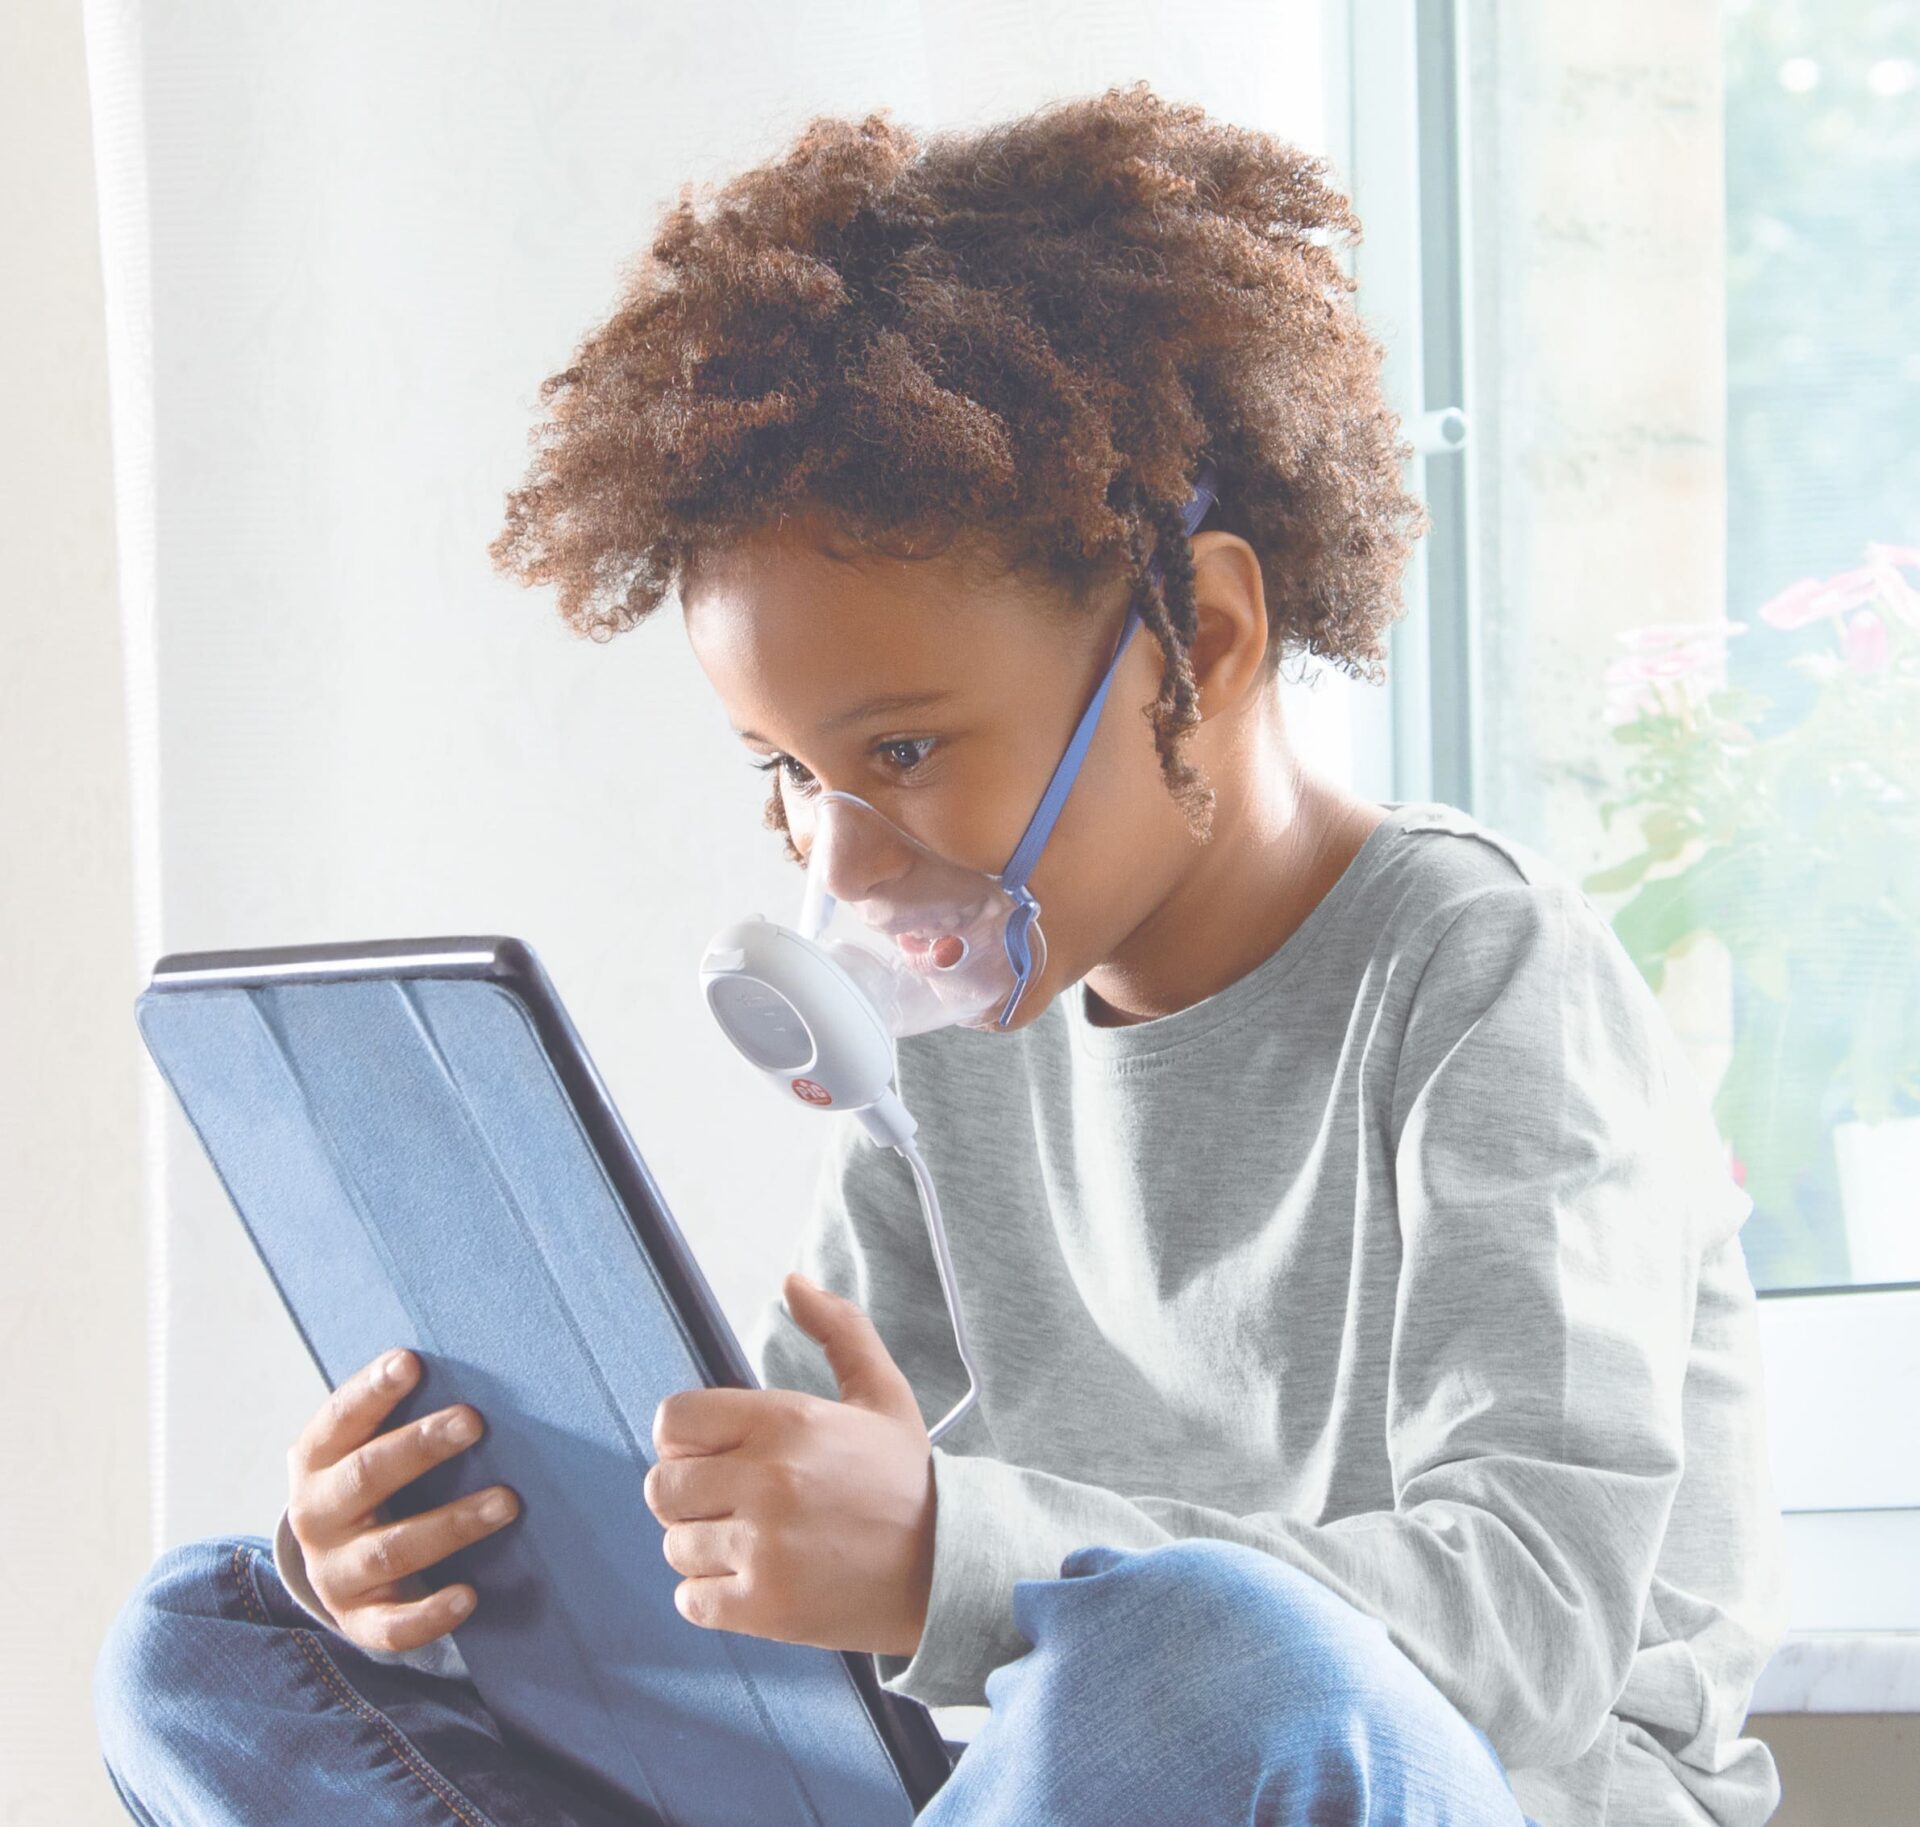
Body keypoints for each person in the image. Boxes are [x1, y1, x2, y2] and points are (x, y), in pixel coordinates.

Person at [94, 82, 1790, 1825]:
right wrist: (430, 1576)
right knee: (204, 1642)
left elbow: (1537, 1630)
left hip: (1471, 1783)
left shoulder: (1482, 981)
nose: (837, 859)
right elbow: (767, 1589)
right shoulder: (971, 1037)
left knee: (1194, 1655)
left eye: (901, 754)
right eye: (787, 774)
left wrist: (942, 1548)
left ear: (1196, 642)